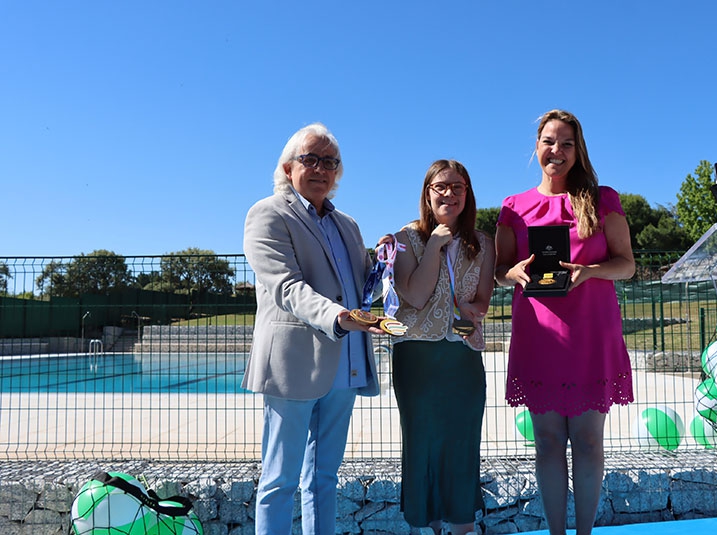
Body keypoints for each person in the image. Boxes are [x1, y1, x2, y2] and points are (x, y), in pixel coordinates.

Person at [494, 110, 636, 535]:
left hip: (592, 334)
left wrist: (590, 272)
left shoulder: (602, 198)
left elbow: (626, 265)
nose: (557, 151)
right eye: (550, 141)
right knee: (548, 443)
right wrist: (513, 274)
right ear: (536, 146)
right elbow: (501, 270)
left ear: (578, 150)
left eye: (567, 143)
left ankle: (584, 533)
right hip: (539, 336)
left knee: (590, 442)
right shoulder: (512, 208)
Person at [242, 122, 383, 535]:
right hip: (293, 367)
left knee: (323, 479)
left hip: (346, 365)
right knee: (279, 482)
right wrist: (337, 316)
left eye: (330, 162)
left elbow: (364, 284)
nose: (321, 168)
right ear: (289, 168)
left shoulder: (349, 225)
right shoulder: (267, 213)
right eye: (311, 159)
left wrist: (390, 261)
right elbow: (286, 286)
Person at [390, 159, 496, 535]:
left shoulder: (483, 242)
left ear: (468, 193)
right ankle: (428, 526)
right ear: (427, 193)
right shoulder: (406, 238)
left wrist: (475, 310)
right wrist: (434, 243)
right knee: (422, 443)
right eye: (441, 187)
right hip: (417, 358)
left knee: (462, 444)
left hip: (462, 357)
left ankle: (462, 526)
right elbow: (415, 296)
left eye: (457, 187)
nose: (449, 193)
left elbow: (483, 297)